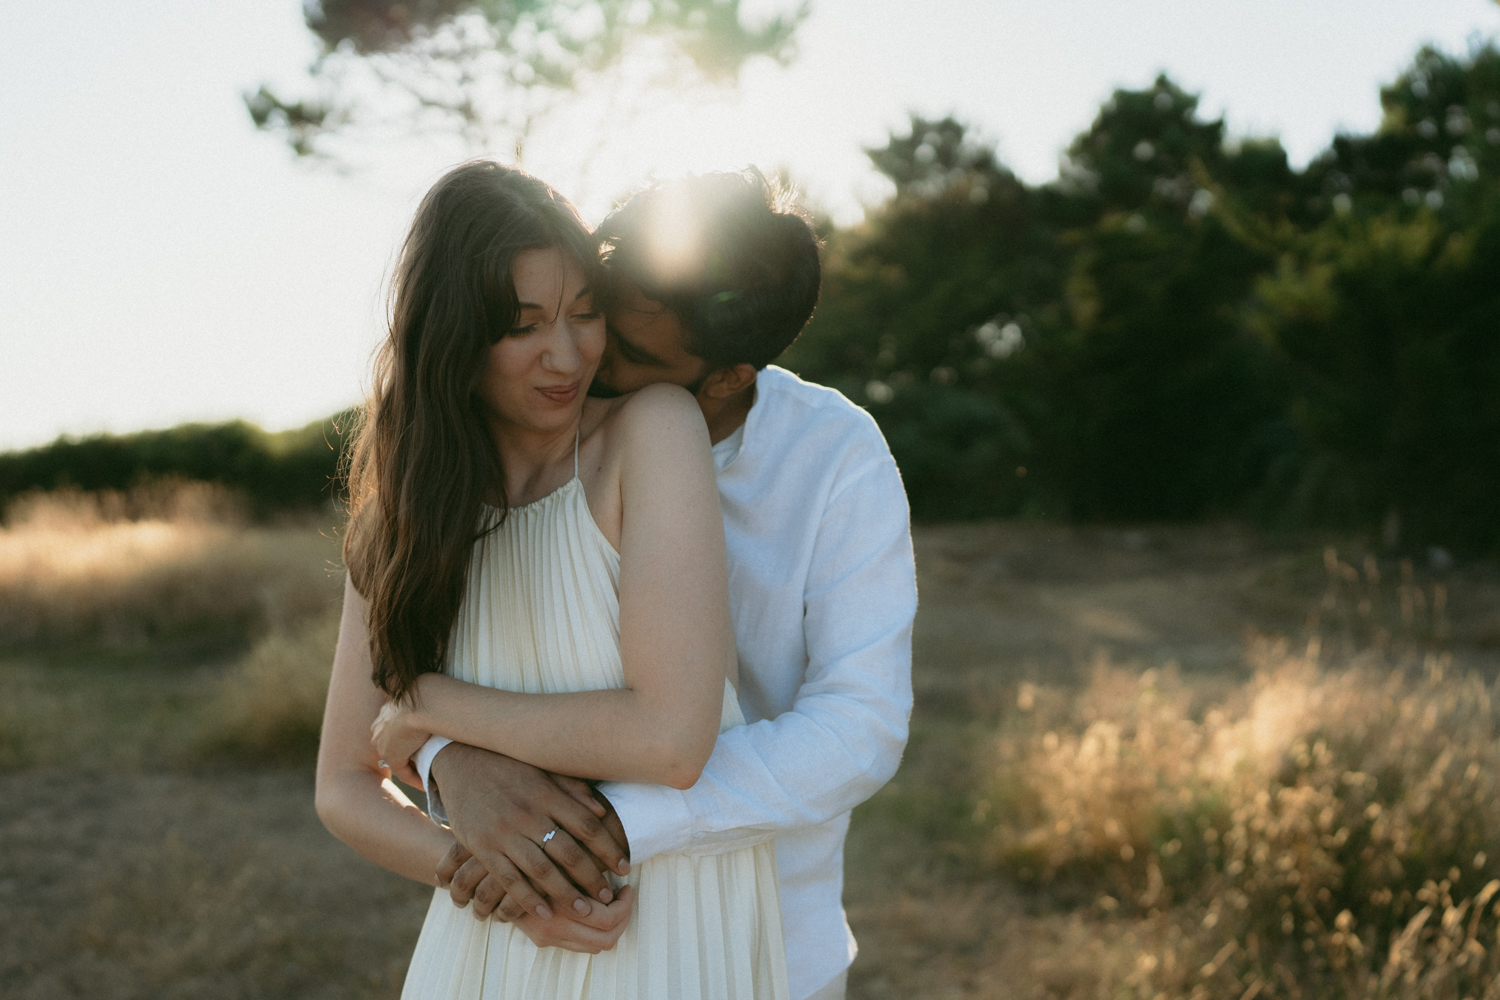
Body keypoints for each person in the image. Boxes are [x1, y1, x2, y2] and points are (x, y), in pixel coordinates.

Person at [411, 170, 918, 1000]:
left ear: (727, 377)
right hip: (535, 942)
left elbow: (859, 725)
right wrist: (449, 765)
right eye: (599, 312)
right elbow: (417, 675)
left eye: (635, 355)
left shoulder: (835, 457)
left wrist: (612, 827)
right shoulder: (517, 435)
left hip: (767, 947)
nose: (586, 358)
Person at [316, 160, 789, 999]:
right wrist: (483, 873)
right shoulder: (404, 514)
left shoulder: (648, 432)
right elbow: (343, 786)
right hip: (503, 927)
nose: (567, 355)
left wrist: (432, 711)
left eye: (584, 313)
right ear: (453, 337)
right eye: (523, 325)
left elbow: (672, 741)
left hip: (658, 917)